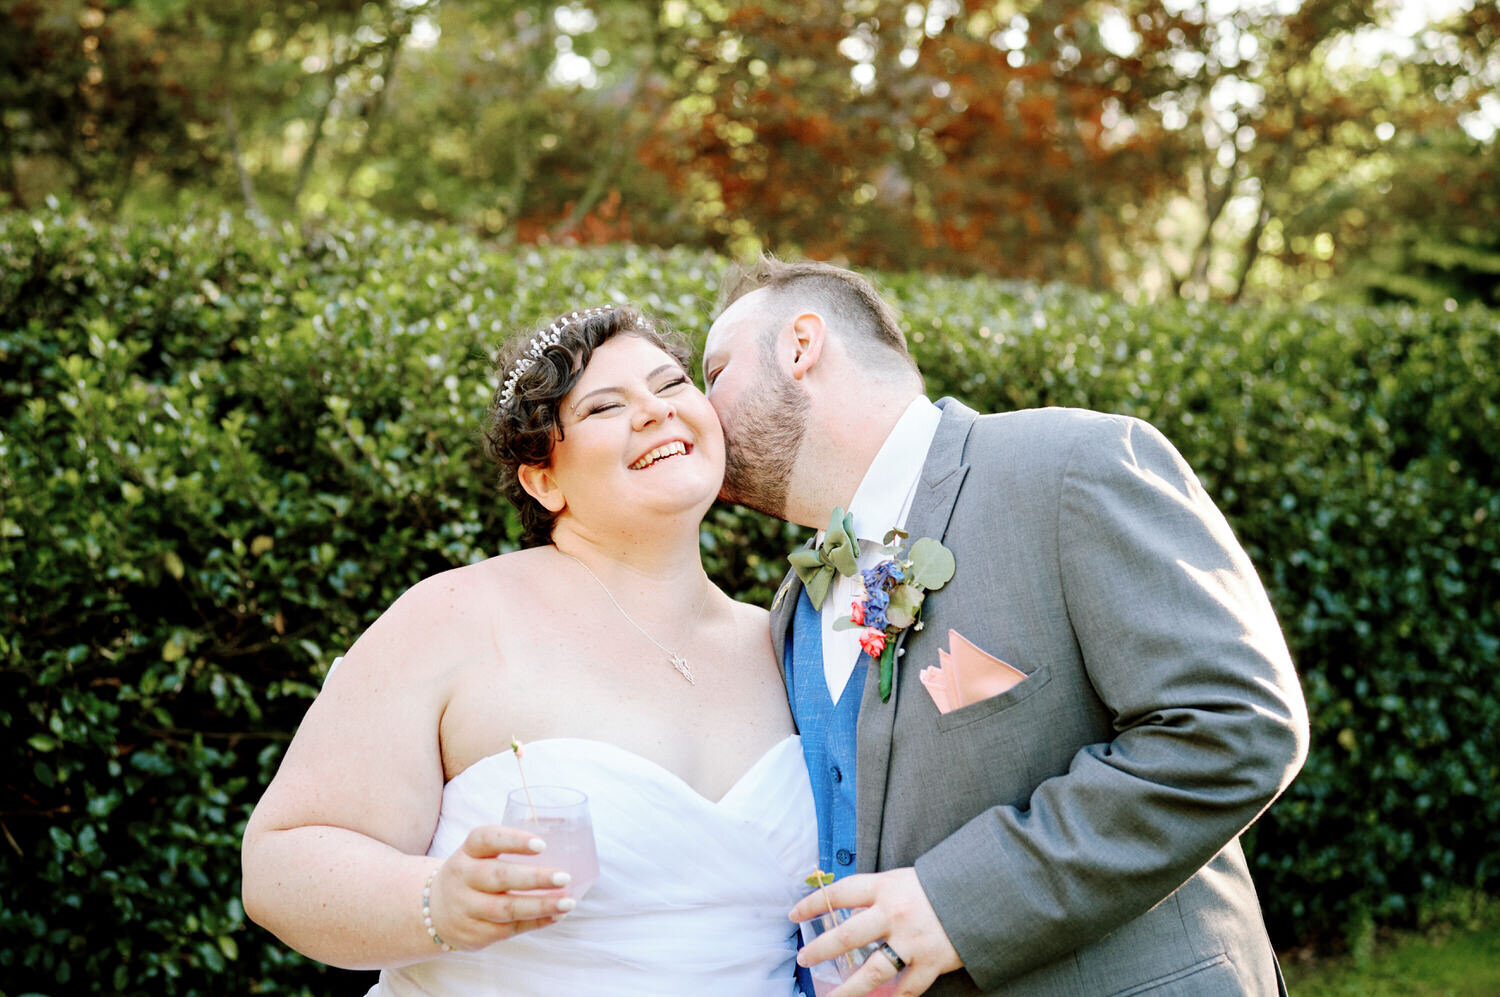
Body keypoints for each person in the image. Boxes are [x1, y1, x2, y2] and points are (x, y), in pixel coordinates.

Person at [700, 257, 1311, 997]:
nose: (695, 412)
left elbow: (1233, 726)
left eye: (714, 373)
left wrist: (958, 907)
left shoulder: (1069, 466)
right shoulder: (793, 607)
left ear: (801, 346)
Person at [241, 306, 817, 996]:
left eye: (669, 386)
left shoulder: (787, 641)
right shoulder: (454, 617)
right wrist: (435, 901)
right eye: (605, 406)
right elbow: (280, 867)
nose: (653, 412)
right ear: (543, 479)